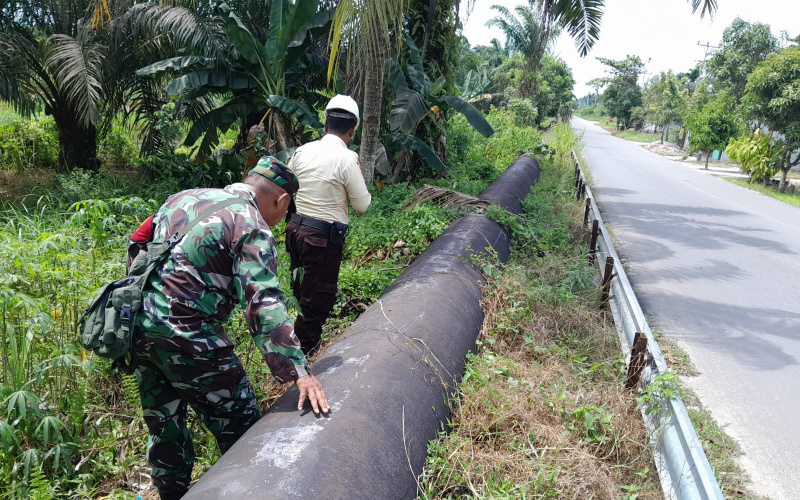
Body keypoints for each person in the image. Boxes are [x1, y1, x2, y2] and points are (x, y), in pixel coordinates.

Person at [128, 158, 330, 500]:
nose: (281, 219)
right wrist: (300, 372)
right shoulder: (250, 223)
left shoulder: (182, 198)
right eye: (285, 211)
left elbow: (137, 242)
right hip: (190, 338)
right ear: (280, 200)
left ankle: (171, 494)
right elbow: (263, 301)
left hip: (139, 329)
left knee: (165, 426)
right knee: (244, 430)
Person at [285, 95, 372, 356]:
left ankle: (297, 341)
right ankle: (304, 352)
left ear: (325, 125)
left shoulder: (302, 151)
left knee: (302, 291)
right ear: (353, 130)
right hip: (322, 238)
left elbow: (287, 186)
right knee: (318, 297)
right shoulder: (347, 159)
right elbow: (362, 205)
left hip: (295, 230)